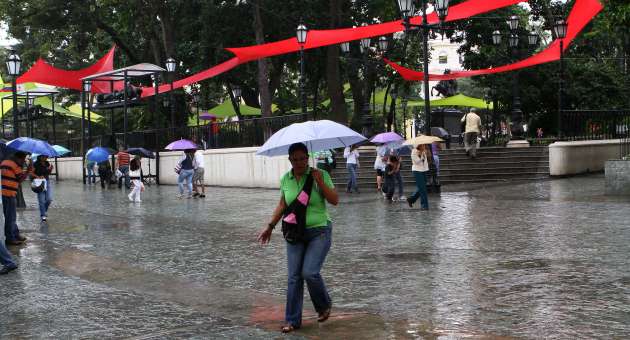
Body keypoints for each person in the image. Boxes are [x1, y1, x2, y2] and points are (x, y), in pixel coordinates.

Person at [257, 143, 338, 333]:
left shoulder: (320, 174)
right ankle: (292, 320)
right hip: (294, 232)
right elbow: (282, 205)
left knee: (309, 272)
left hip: (319, 230)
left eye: (303, 158)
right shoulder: (286, 179)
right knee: (293, 277)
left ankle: (324, 304)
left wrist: (320, 182)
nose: (300, 162)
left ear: (308, 157)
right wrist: (270, 226)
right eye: (295, 159)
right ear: (290, 160)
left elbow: (335, 200)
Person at [2, 151, 28, 245]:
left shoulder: (4, 162)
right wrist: (28, 170)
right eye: (23, 160)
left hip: (4, 193)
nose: (23, 161)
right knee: (11, 217)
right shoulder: (14, 165)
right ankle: (10, 238)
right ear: (19, 158)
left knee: (10, 216)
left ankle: (15, 234)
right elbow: (21, 179)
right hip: (9, 194)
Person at [406, 144, 431, 210]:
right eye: (423, 145)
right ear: (419, 145)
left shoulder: (424, 151)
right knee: (423, 189)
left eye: (424, 145)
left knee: (422, 187)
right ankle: (424, 206)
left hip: (424, 170)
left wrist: (427, 153)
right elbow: (417, 161)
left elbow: (427, 160)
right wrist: (421, 155)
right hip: (417, 171)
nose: (424, 146)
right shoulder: (414, 151)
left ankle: (411, 199)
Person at [30, 155, 54, 221]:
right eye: (44, 156)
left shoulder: (47, 163)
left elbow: (48, 173)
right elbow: (31, 173)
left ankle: (44, 210)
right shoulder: (35, 164)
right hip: (39, 183)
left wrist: (50, 169)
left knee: (49, 199)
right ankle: (43, 215)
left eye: (46, 156)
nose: (46, 157)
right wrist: (38, 176)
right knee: (42, 201)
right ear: (40, 156)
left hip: (47, 182)